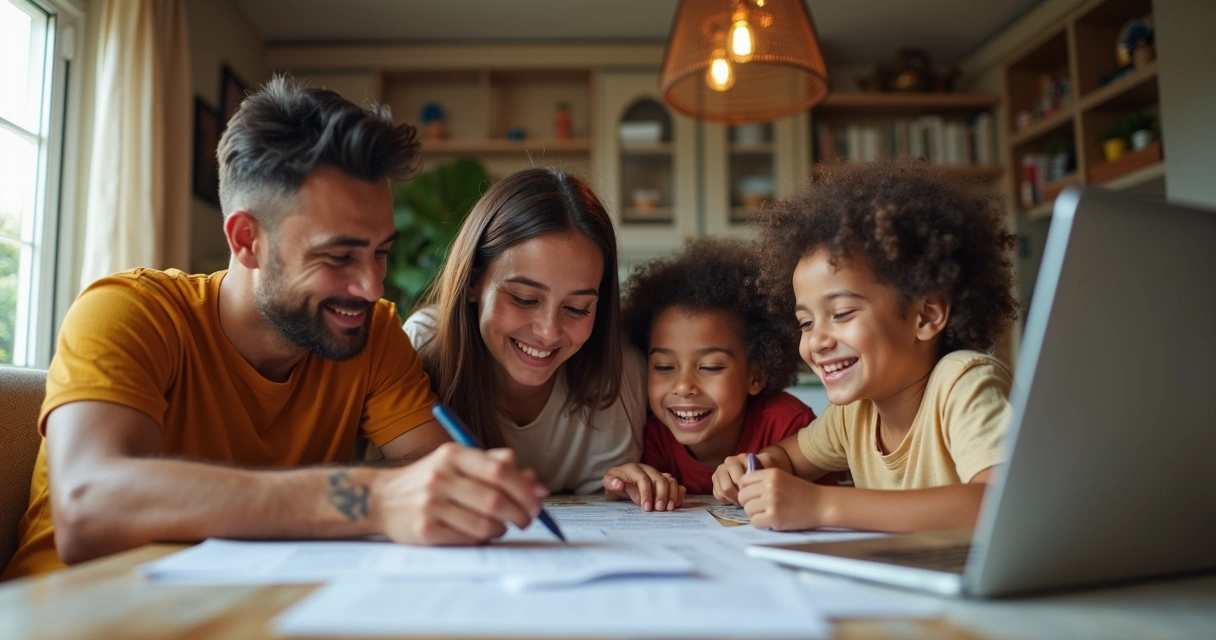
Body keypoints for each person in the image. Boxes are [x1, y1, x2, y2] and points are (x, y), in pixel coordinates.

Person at [1, 77, 546, 581]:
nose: (372, 286)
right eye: (339, 256)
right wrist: (370, 497)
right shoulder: (131, 311)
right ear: (246, 241)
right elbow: (90, 507)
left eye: (381, 252)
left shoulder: (370, 333)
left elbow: (433, 467)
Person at [713, 158, 1019, 532]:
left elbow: (1001, 504)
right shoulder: (853, 414)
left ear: (926, 316)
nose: (816, 341)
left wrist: (822, 505)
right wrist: (753, 468)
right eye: (806, 323)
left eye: (841, 313)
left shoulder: (964, 384)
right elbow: (787, 459)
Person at [404, 168, 658, 499]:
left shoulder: (624, 375)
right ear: (472, 282)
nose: (548, 332)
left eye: (577, 308)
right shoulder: (424, 347)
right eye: (524, 299)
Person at [602, 238, 816, 509]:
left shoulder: (790, 426)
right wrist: (628, 484)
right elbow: (640, 487)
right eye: (664, 367)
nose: (683, 386)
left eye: (710, 367)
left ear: (756, 376)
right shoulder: (653, 434)